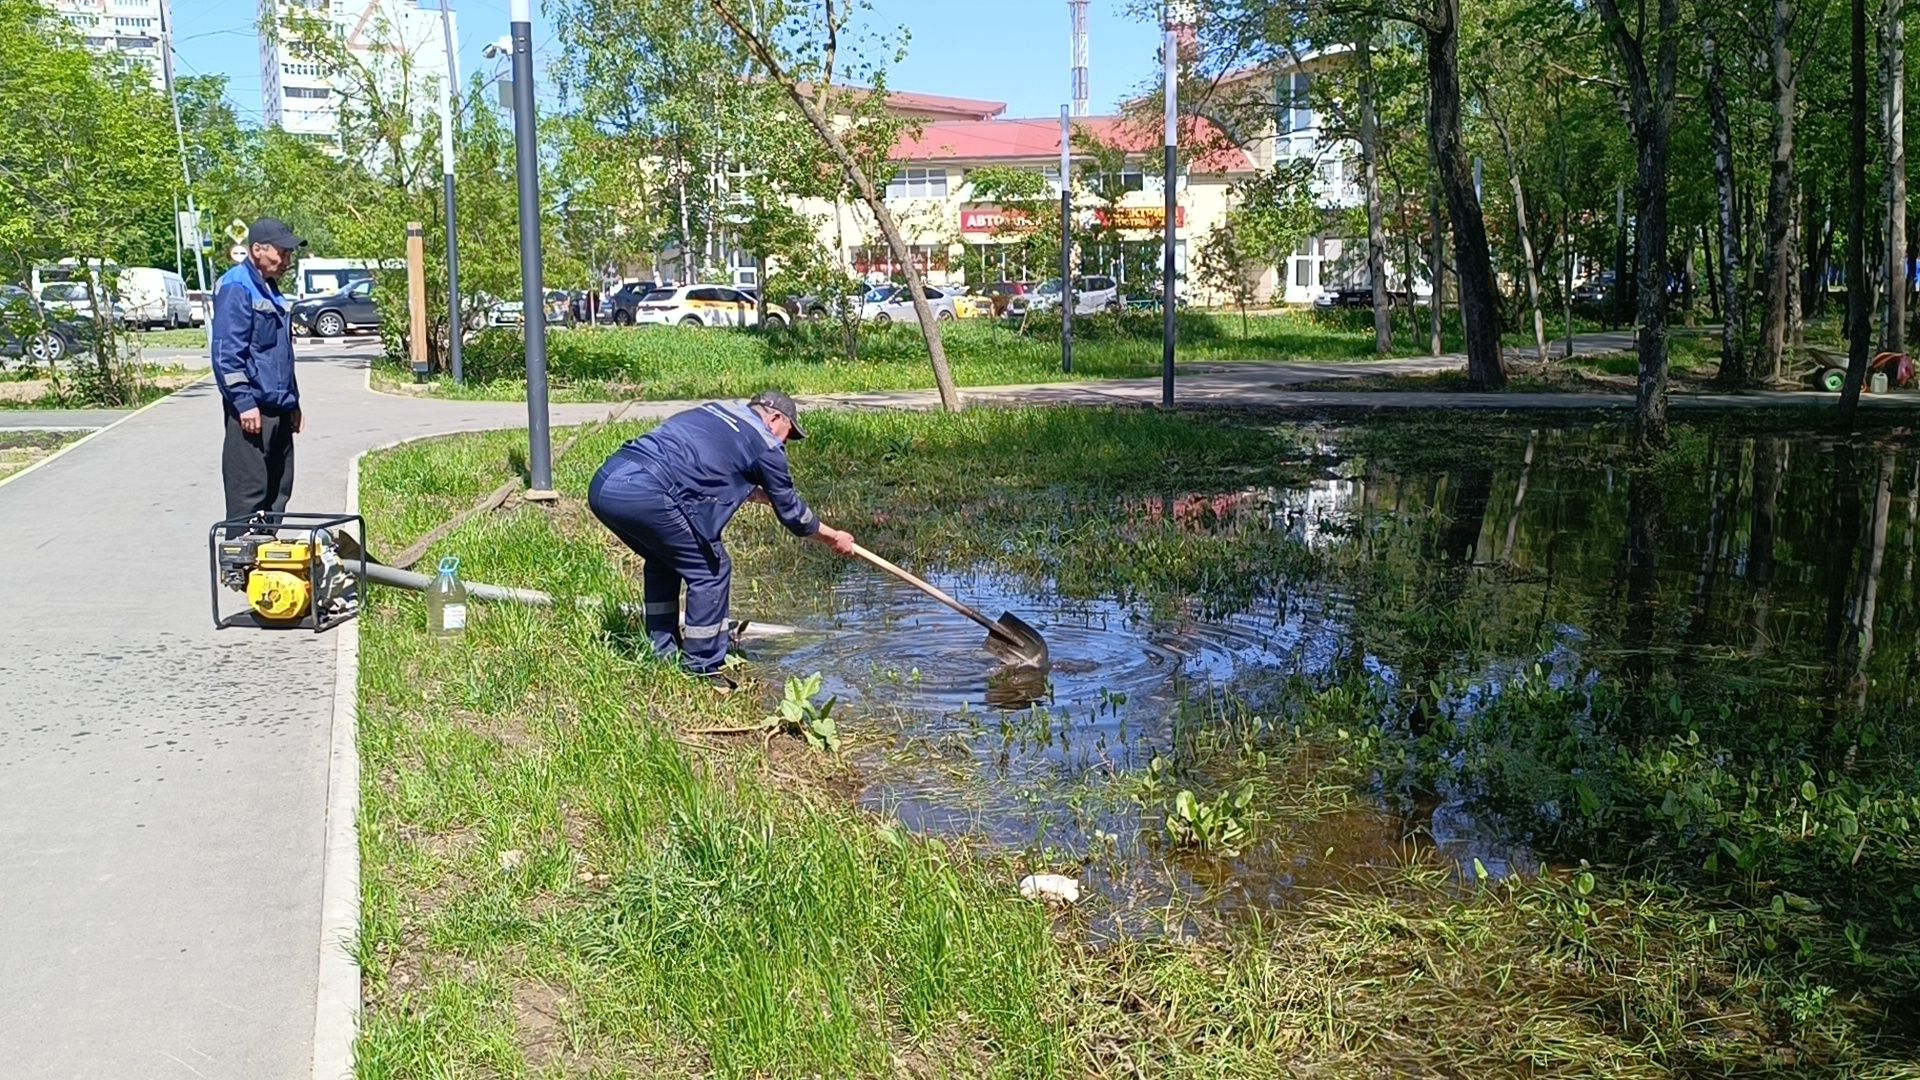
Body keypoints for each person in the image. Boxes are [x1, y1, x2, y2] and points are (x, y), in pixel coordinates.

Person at [588, 390, 857, 690]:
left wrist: (763, 494)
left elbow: (707, 464)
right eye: (788, 434)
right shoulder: (767, 445)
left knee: (665, 560)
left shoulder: (717, 411)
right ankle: (702, 669)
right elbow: (795, 516)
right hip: (646, 492)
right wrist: (834, 537)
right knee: (711, 570)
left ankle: (661, 652)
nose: (785, 443)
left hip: (607, 483)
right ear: (774, 418)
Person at [212, 218, 307, 527]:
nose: (288, 260)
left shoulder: (271, 289)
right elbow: (227, 354)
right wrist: (243, 402)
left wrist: (293, 402)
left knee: (278, 492)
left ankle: (268, 551)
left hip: (279, 409)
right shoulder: (237, 286)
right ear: (257, 250)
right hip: (252, 413)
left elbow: (281, 355)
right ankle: (241, 555)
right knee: (249, 495)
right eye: (282, 252)